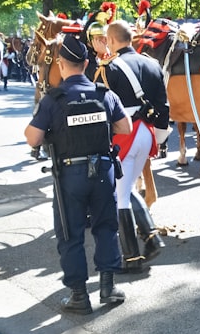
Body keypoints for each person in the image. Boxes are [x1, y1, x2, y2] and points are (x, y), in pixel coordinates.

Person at [24, 33, 131, 314]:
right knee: (106, 227)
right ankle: (108, 288)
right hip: (103, 171)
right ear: (86, 63)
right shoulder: (103, 94)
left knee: (70, 233)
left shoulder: (54, 99)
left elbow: (32, 138)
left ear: (61, 65)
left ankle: (79, 296)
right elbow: (125, 127)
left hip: (70, 176)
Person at [96, 19, 171, 272]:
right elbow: (163, 105)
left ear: (112, 40)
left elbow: (103, 107)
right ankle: (150, 237)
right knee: (125, 189)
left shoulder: (109, 67)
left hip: (124, 137)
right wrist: (160, 138)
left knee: (120, 197)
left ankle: (132, 257)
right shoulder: (152, 64)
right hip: (148, 133)